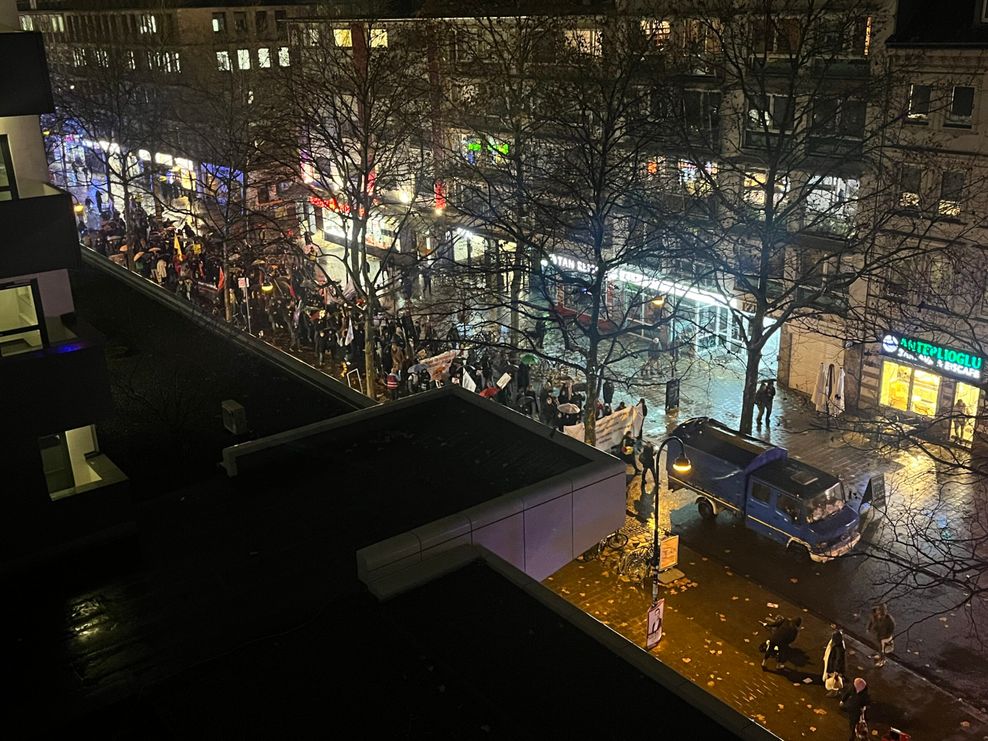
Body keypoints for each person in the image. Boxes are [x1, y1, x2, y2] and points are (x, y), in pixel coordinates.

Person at [822, 627, 847, 696]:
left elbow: (838, 660)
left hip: (834, 668)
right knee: (834, 679)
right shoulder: (839, 646)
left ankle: (834, 692)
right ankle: (834, 691)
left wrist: (836, 671)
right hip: (835, 667)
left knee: (834, 680)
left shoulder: (838, 649)